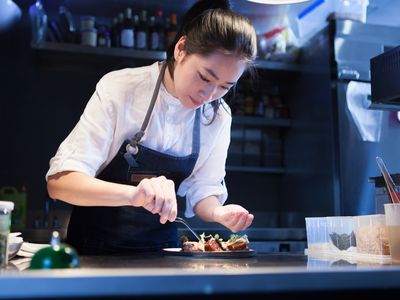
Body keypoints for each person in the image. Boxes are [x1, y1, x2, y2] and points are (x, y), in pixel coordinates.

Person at [46, 0, 257, 254]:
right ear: (181, 49)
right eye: (204, 77)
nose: (208, 95)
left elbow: (203, 190)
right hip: (93, 253)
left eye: (225, 86)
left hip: (163, 254)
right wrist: (134, 195)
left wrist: (218, 212)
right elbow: (60, 183)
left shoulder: (218, 115)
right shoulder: (121, 88)